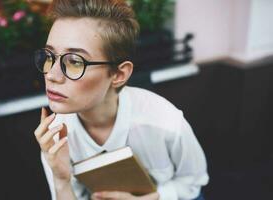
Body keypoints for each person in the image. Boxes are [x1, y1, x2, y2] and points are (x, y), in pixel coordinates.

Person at [33, 0, 209, 199]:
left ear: (118, 74)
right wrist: (61, 179)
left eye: (74, 61)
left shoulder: (164, 122)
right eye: (49, 56)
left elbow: (194, 182)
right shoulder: (56, 136)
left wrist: (157, 197)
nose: (52, 75)